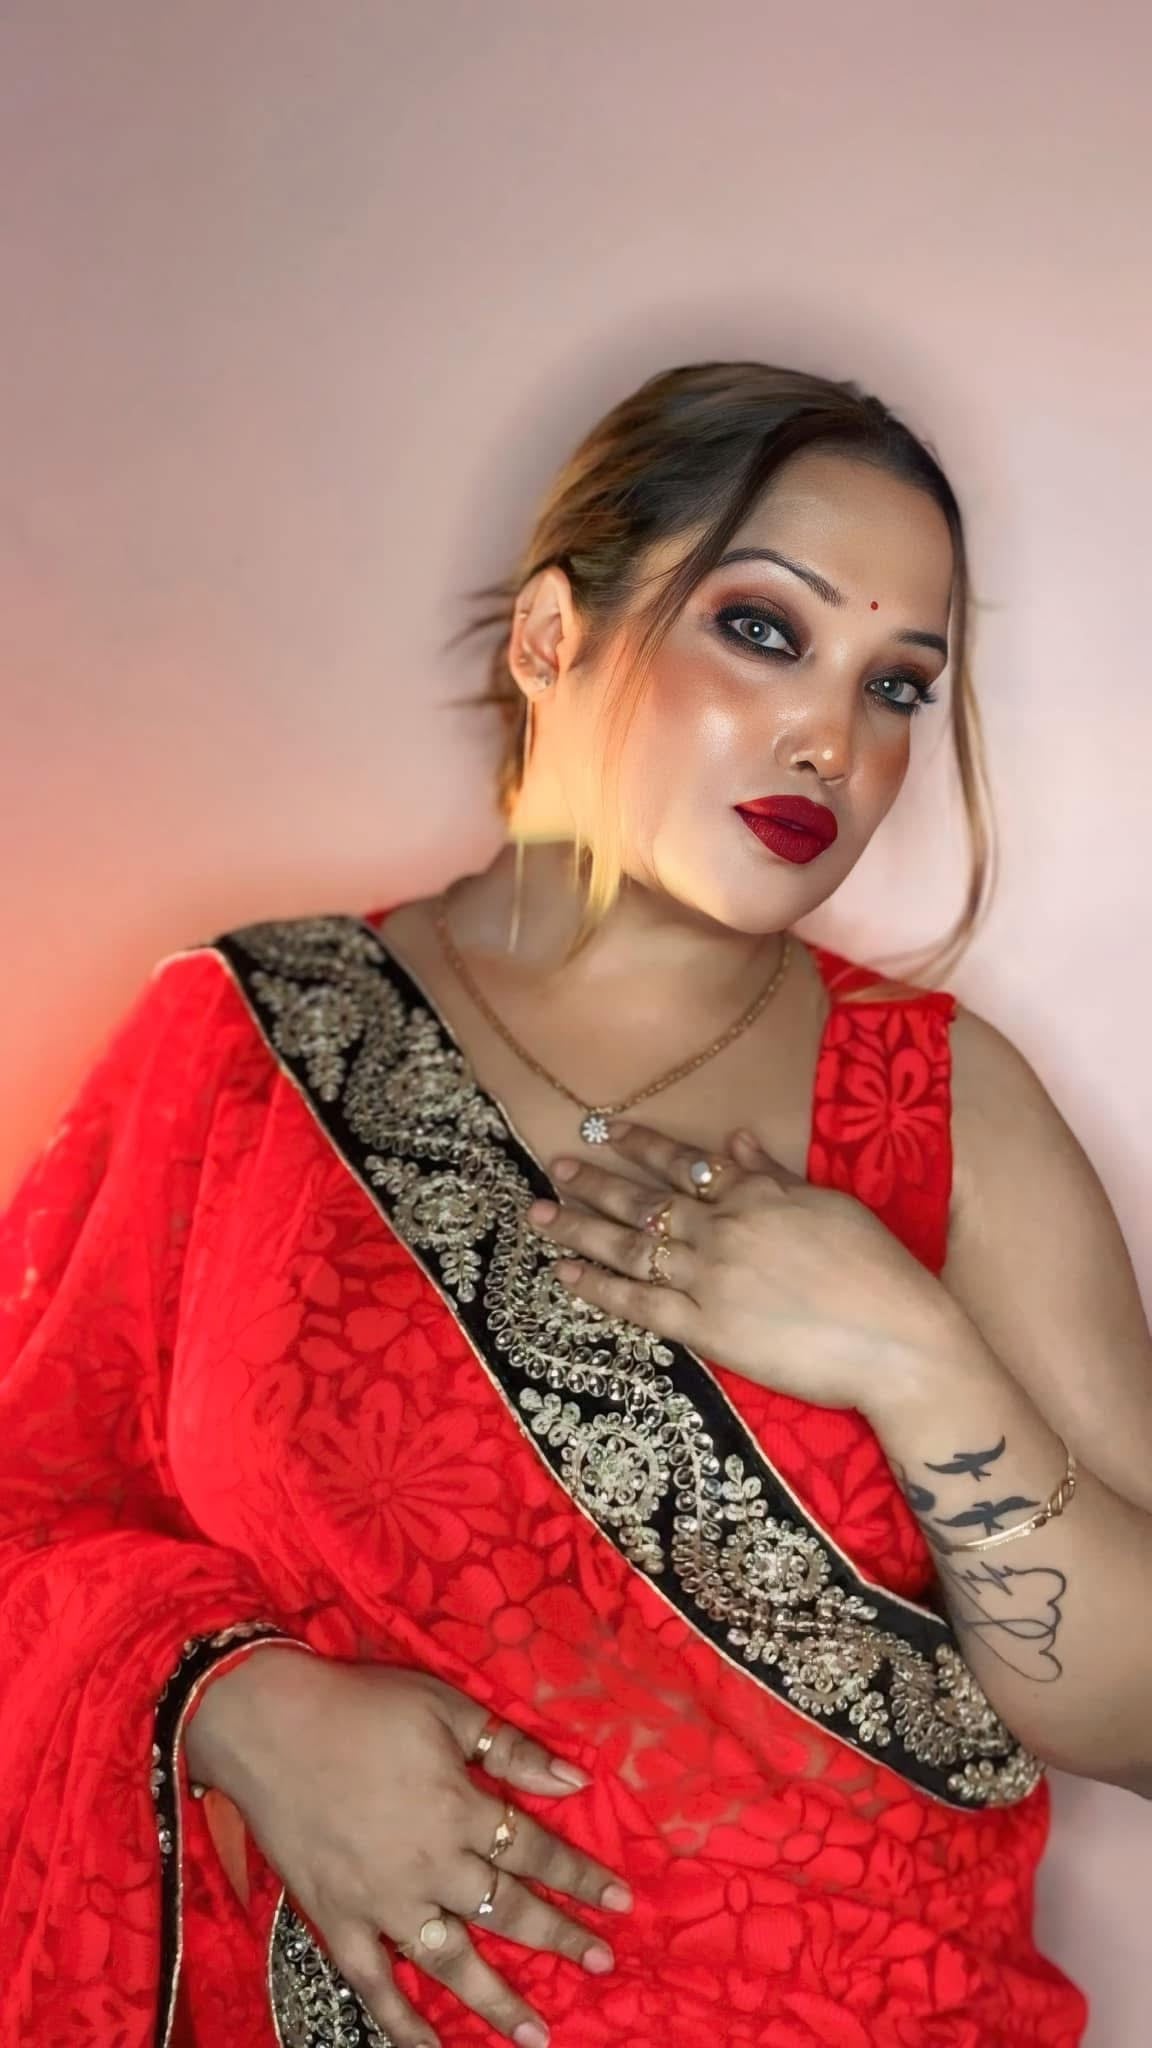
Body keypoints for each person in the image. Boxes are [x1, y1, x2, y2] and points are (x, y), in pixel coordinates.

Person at [2, 361, 1150, 2048]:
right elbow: (26, 1512)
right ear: (552, 638)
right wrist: (236, 1705)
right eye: (762, 630)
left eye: (898, 685)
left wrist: (918, 1359)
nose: (834, 741)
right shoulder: (258, 1043)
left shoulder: (941, 1101)